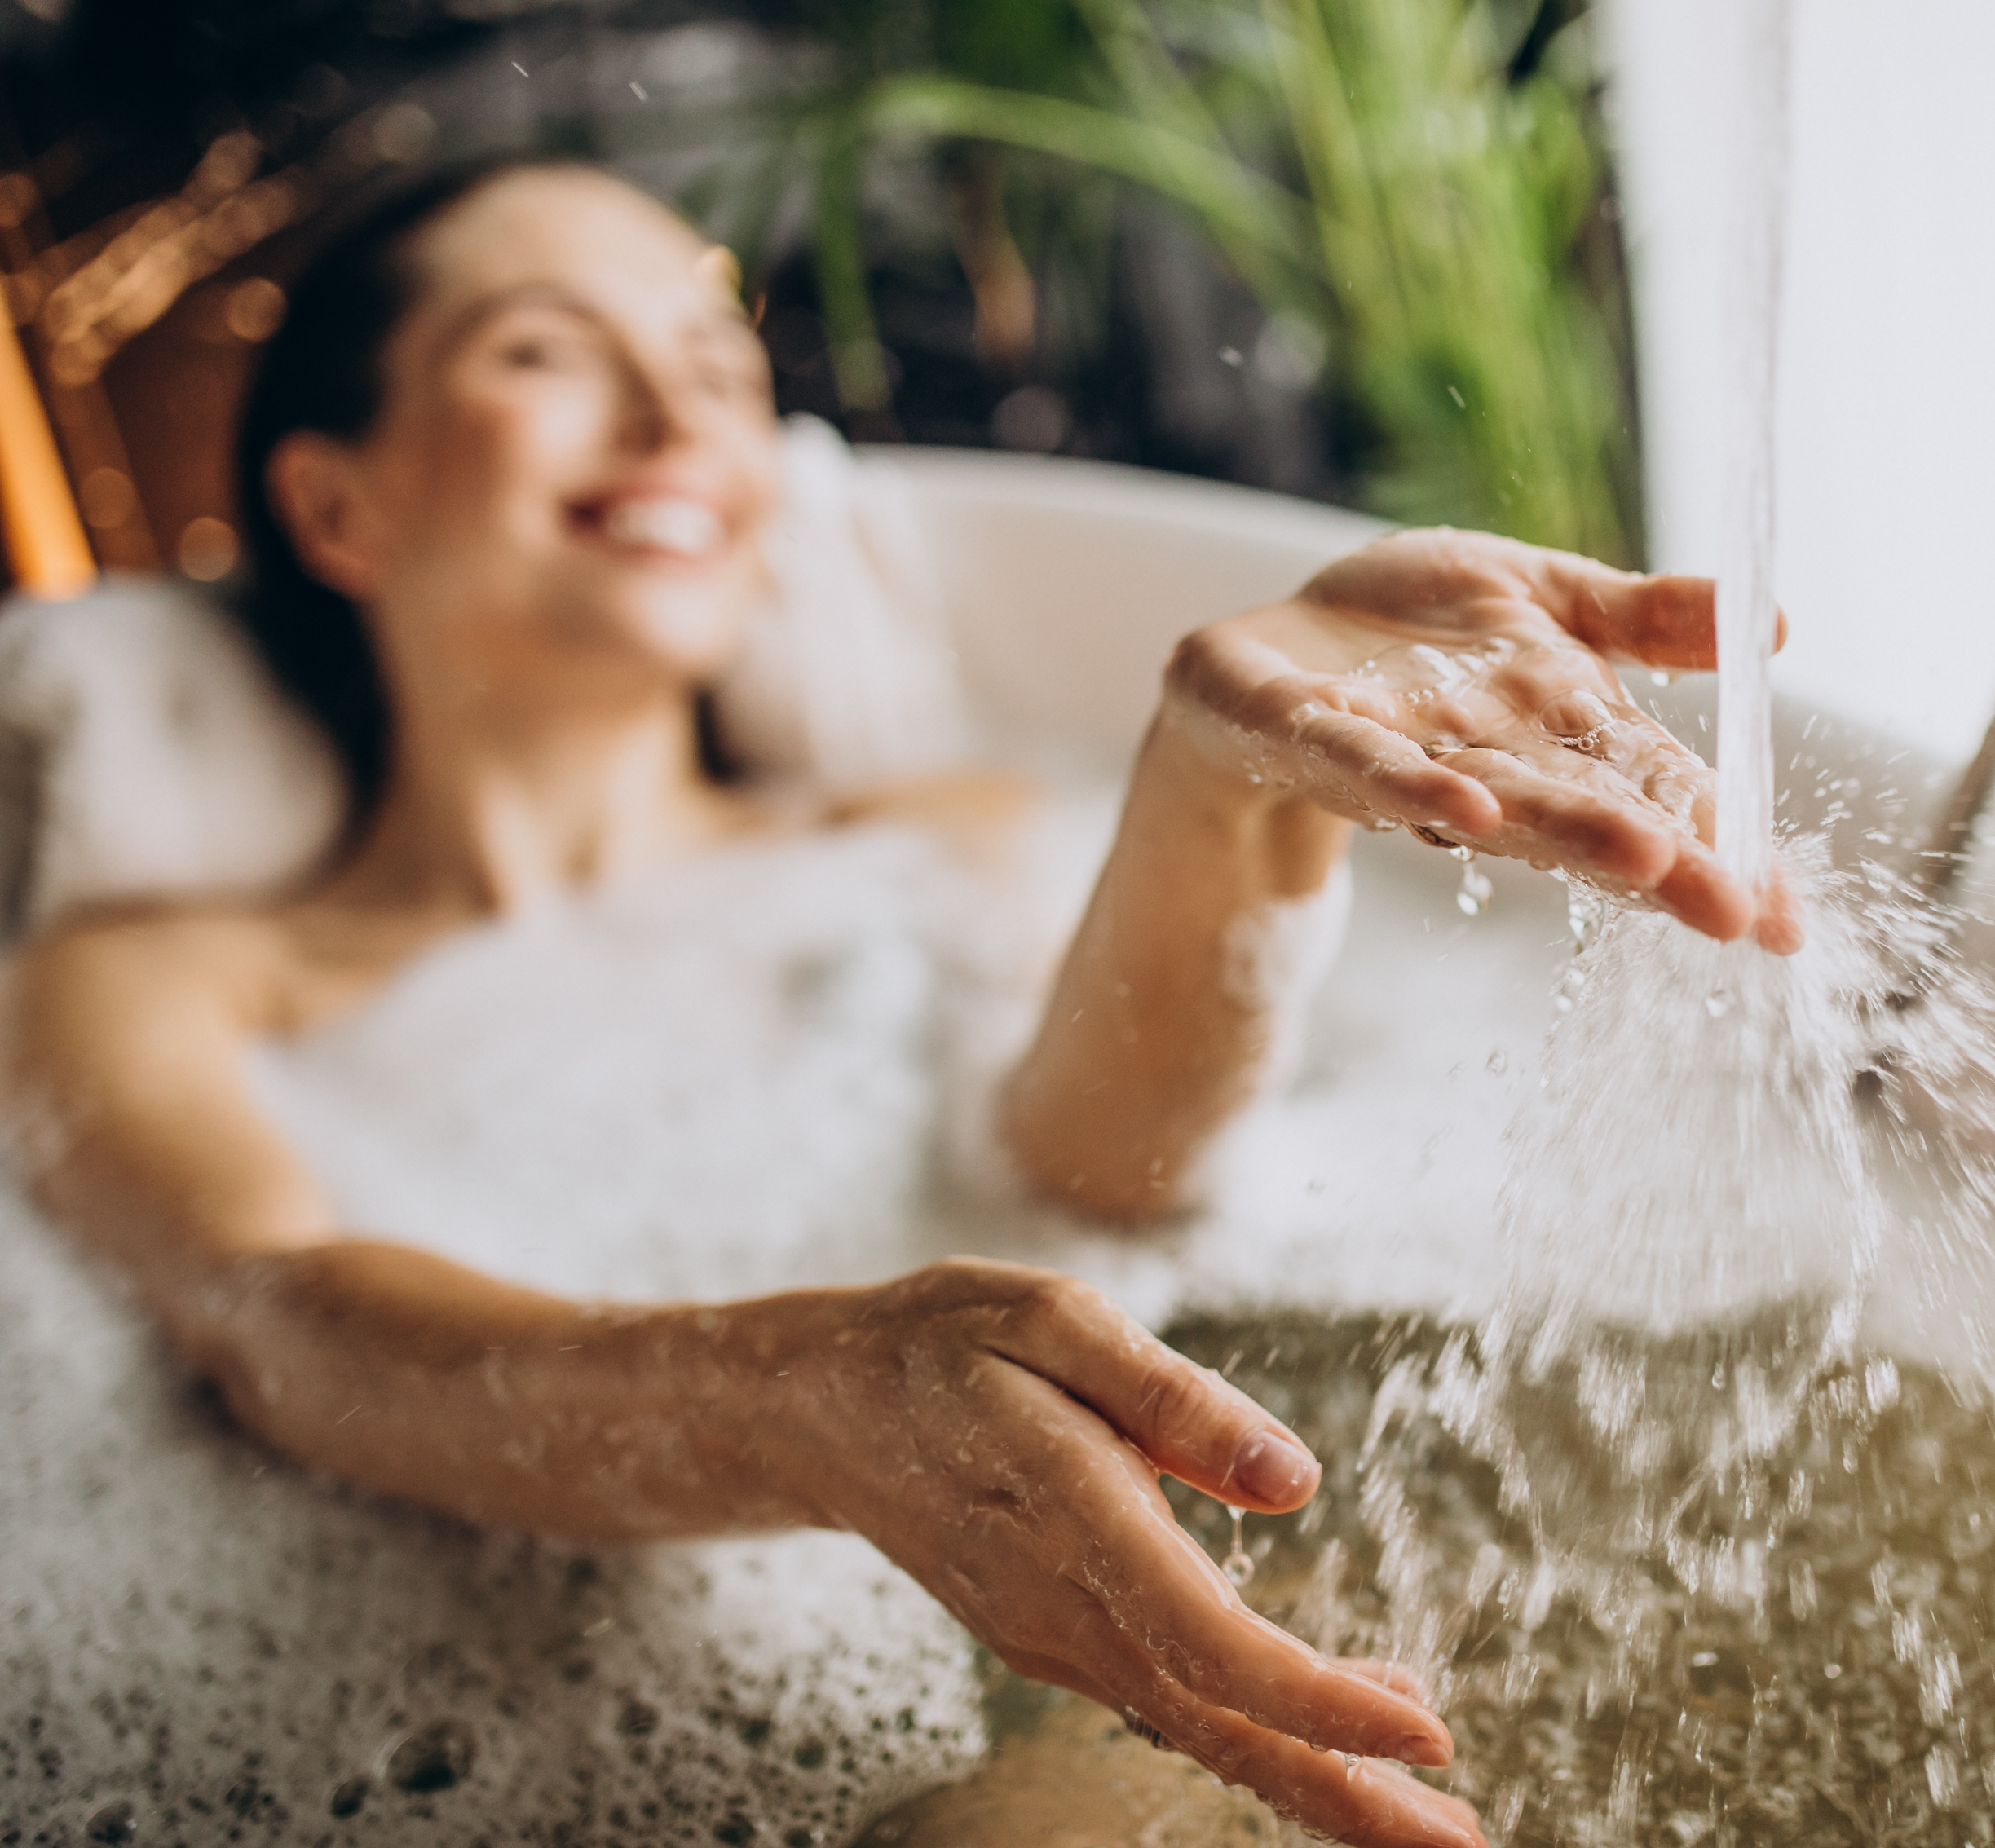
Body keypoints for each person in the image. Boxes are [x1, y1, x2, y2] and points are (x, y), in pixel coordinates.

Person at [0, 161, 1791, 1848]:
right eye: (546, 350)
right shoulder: (154, 976)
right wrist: (802, 1400)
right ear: (334, 502)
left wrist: (1215, 779)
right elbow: (285, 1329)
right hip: (523, 1679)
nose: (679, 412)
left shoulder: (942, 827)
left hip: (1164, 1545)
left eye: (713, 360)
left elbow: (1105, 1163)